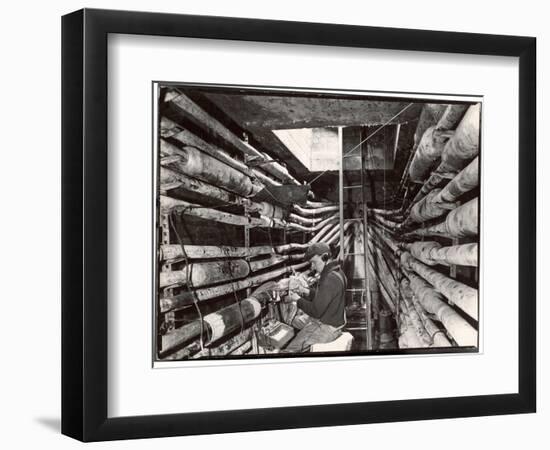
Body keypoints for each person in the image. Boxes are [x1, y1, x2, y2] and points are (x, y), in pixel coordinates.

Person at [282, 242, 347, 353]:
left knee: (289, 351)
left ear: (325, 257)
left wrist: (297, 299)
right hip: (333, 322)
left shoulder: (329, 279)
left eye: (314, 262)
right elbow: (325, 296)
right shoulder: (338, 272)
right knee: (295, 322)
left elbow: (316, 311)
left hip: (326, 327)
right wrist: (305, 291)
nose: (312, 267)